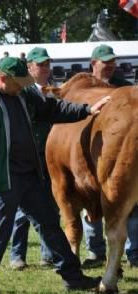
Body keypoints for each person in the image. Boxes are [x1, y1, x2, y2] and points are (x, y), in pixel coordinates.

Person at [0, 57, 109, 294]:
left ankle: (73, 278)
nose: (23, 86)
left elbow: (52, 109)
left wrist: (86, 110)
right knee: (2, 228)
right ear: (3, 78)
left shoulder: (24, 94)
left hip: (31, 175)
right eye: (19, 83)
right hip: (5, 178)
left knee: (50, 224)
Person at [81, 44, 137, 268]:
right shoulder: (85, 90)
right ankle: (95, 252)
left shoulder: (124, 87)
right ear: (93, 63)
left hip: (121, 153)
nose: (110, 66)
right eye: (105, 61)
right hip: (91, 154)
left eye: (112, 61)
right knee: (91, 203)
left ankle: (134, 253)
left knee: (131, 204)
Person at [9, 47, 55, 270]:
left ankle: (48, 253)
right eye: (40, 64)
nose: (45, 68)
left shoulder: (54, 91)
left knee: (50, 206)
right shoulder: (22, 92)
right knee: (22, 211)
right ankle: (17, 255)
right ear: (29, 67)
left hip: (49, 157)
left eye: (47, 64)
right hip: (26, 158)